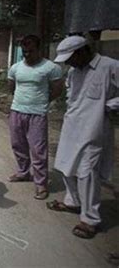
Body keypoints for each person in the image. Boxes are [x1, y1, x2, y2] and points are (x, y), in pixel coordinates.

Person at [46, 35, 118, 239]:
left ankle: (90, 219)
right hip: (72, 125)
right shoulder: (73, 72)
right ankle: (73, 202)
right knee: (65, 165)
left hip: (94, 129)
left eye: (71, 58)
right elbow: (71, 94)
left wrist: (111, 105)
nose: (69, 62)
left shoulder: (110, 66)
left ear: (83, 51)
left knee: (87, 172)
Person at [7, 35, 63, 200]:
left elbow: (57, 90)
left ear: (40, 49)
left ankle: (41, 184)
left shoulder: (51, 68)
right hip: (16, 111)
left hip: (37, 114)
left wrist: (41, 103)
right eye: (24, 52)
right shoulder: (15, 68)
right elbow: (11, 87)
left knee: (38, 150)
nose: (27, 55)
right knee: (18, 145)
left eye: (31, 51)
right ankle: (23, 172)